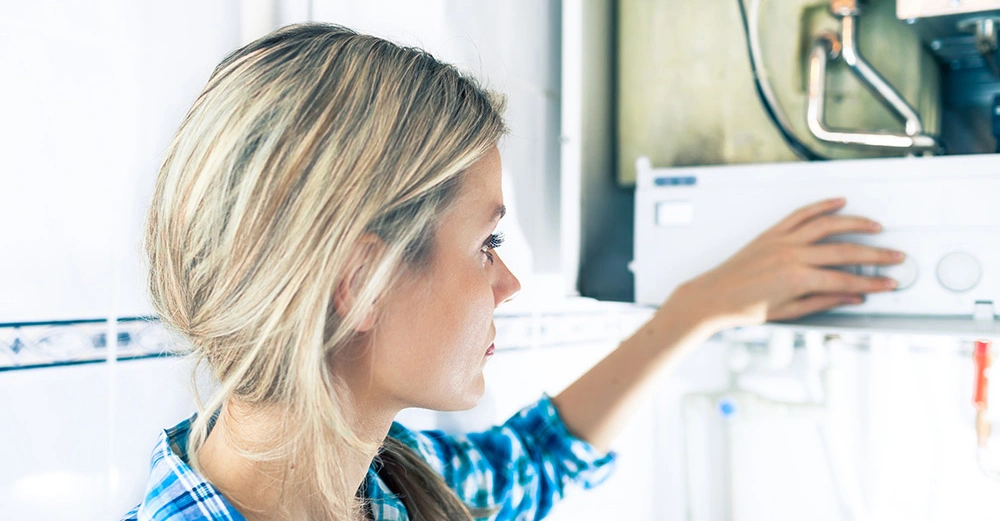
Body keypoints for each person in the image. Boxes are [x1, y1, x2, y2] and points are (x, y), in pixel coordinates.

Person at [122, 22, 902, 521]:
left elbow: (536, 459)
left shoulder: (385, 479)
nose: (508, 283)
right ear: (361, 280)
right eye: (486, 242)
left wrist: (696, 310)